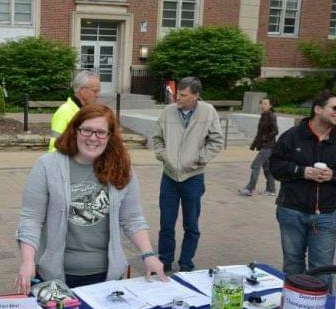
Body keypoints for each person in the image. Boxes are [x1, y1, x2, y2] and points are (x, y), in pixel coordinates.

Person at [17, 104, 166, 293]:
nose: (93, 138)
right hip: (56, 276)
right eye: (86, 130)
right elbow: (31, 219)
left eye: (101, 132)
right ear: (75, 130)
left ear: (110, 136)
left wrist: (149, 255)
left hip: (107, 276)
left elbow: (132, 219)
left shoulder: (121, 168)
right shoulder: (47, 166)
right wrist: (28, 261)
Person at [269, 90, 336, 275]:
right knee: (292, 265)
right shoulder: (292, 135)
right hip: (291, 211)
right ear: (318, 109)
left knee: (321, 269)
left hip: (326, 215)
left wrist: (334, 175)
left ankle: (320, 304)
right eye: (335, 108)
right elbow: (275, 165)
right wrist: (301, 171)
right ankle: (294, 303)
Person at [152, 77, 224, 272]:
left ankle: (186, 264)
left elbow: (217, 141)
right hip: (169, 177)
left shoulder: (208, 112)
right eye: (177, 93)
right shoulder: (167, 112)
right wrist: (163, 155)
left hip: (193, 178)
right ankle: (165, 260)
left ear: (196, 96)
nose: (178, 98)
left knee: (191, 225)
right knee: (166, 223)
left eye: (183, 95)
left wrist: (200, 159)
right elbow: (157, 138)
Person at [48, 70, 101, 151]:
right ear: (82, 90)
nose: (98, 95)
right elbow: (55, 147)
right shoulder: (65, 112)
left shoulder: (87, 111)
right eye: (95, 91)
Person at [238, 97, 278, 196]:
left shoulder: (271, 116)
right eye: (262, 103)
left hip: (268, 147)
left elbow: (275, 131)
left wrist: (265, 140)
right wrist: (254, 144)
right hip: (265, 146)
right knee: (267, 168)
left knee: (255, 165)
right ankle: (271, 190)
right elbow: (260, 132)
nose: (263, 105)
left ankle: (249, 189)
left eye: (265, 104)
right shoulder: (264, 116)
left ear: (270, 105)